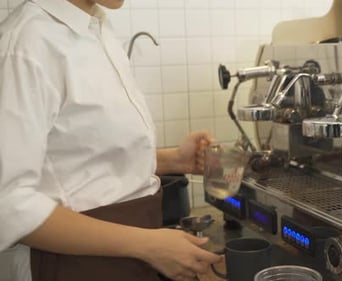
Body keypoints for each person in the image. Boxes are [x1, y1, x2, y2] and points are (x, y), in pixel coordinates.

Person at [0, 0, 222, 280]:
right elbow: (8, 204)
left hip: (127, 256)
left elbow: (81, 160)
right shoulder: (25, 44)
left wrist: (173, 159)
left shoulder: (96, 26)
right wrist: (148, 245)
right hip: (74, 266)